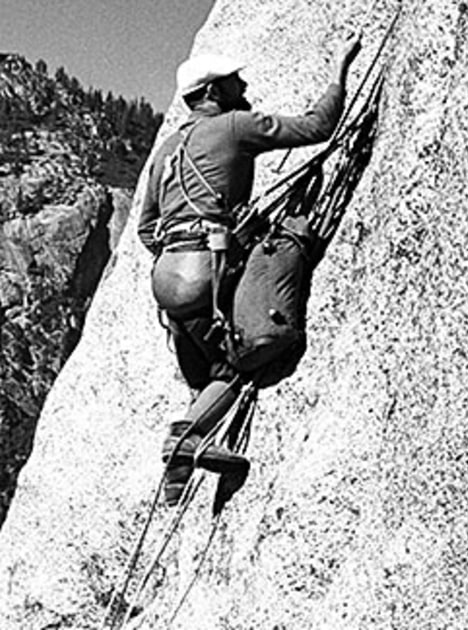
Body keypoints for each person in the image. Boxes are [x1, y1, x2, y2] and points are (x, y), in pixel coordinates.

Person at [139, 36, 363, 506]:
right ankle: (186, 440)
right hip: (207, 272)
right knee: (239, 363)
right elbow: (318, 127)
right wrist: (339, 69)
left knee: (207, 373)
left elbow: (146, 229)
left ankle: (179, 472)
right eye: (234, 82)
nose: (244, 86)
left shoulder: (166, 151)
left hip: (168, 282)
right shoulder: (235, 127)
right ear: (213, 93)